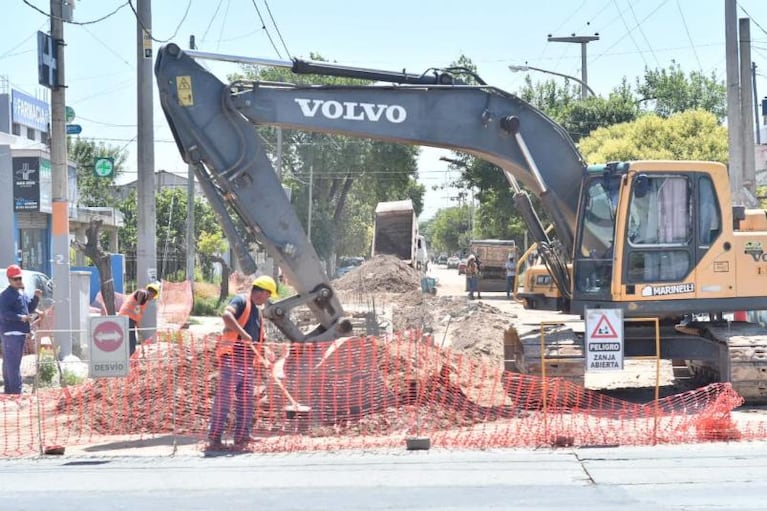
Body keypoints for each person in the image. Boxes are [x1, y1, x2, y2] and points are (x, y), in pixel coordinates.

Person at [208, 275, 277, 450]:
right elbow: (226, 316)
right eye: (268, 295)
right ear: (261, 292)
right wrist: (243, 335)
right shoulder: (241, 301)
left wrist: (264, 351)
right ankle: (215, 438)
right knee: (224, 399)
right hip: (232, 358)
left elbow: (259, 337)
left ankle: (242, 436)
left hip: (247, 362)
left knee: (246, 401)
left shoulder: (257, 312)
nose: (267, 299)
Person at [0, 265, 41, 394]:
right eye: (15, 279)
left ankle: (10, 391)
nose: (18, 281)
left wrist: (36, 298)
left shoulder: (20, 293)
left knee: (9, 363)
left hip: (19, 332)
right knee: (13, 363)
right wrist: (20, 318)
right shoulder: (5, 295)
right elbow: (4, 313)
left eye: (19, 278)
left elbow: (29, 308)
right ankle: (16, 392)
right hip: (11, 332)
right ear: (9, 279)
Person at [118, 282, 160, 356]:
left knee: (130, 345)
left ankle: (125, 360)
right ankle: (124, 361)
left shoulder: (145, 301)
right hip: (127, 319)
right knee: (131, 347)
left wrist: (139, 328)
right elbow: (140, 293)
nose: (152, 298)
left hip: (130, 320)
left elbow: (138, 316)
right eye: (153, 296)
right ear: (152, 293)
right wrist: (138, 304)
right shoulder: (143, 293)